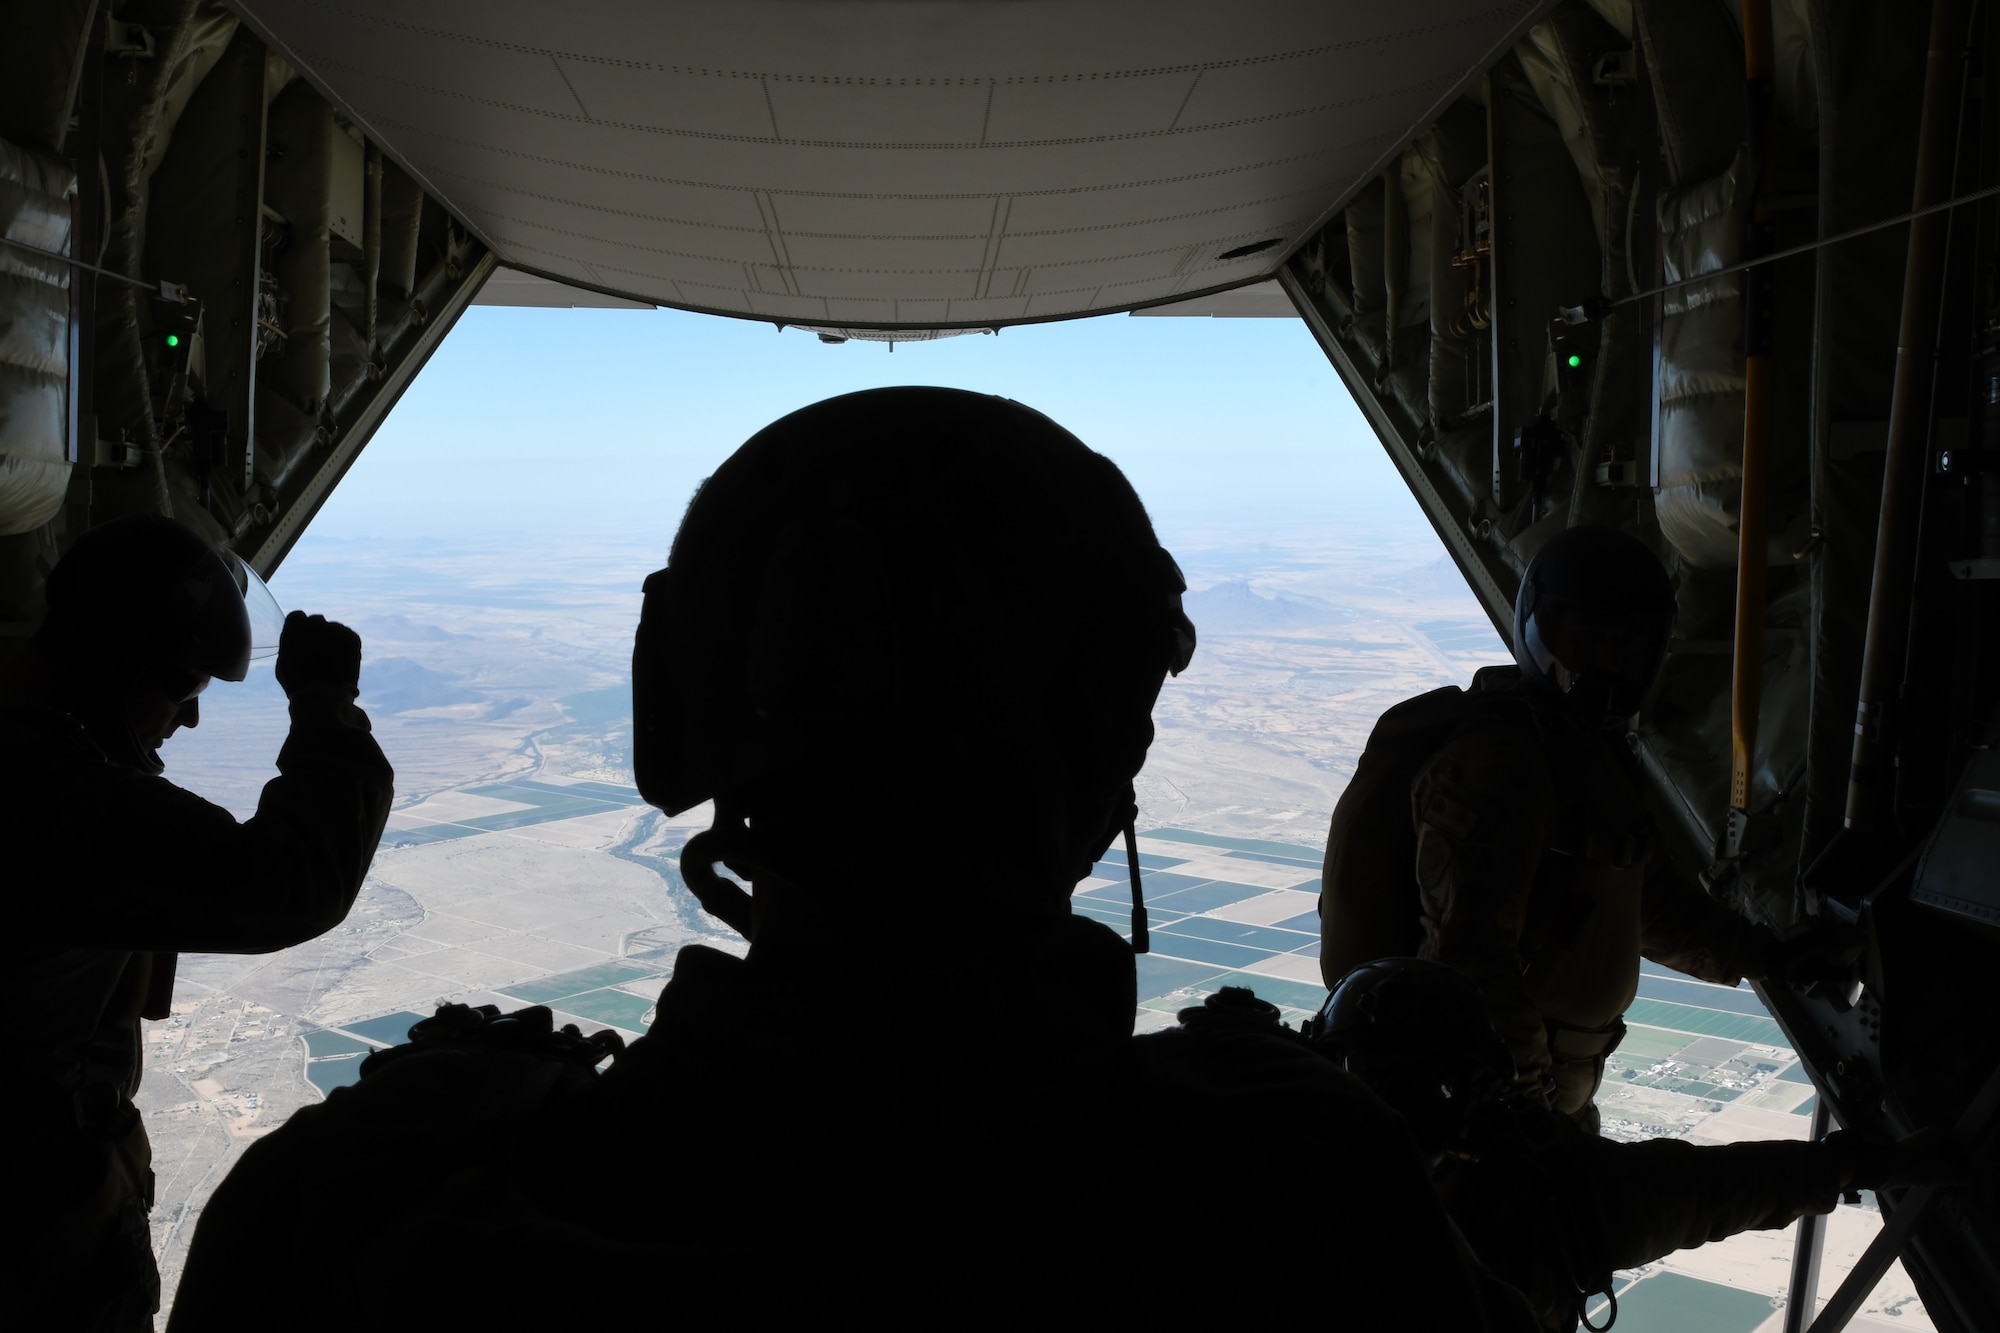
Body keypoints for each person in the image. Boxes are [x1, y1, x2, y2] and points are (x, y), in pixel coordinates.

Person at [169, 388, 1532, 1329]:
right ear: (1108, 745)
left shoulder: (352, 1215)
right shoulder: (1315, 1202)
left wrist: (455, 1099)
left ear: (695, 715)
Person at [2, 516, 393, 1332]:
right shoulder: (58, 808)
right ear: (116, 667)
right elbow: (292, 882)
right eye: (182, 689)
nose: (189, 720)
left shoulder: (33, 761)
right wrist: (325, 711)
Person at [1318, 525, 1784, 1129]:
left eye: (1627, 645)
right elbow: (1469, 962)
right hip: (1484, 1103)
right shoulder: (1500, 764)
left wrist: (1766, 956)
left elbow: (1640, 901)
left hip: (1538, 1094)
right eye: (1585, 638)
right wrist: (1525, 1110)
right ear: (1540, 630)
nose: (1606, 663)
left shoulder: (1584, 757)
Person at [1309, 958, 1940, 1332]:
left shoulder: (1276, 1165)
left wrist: (1853, 1163)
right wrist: (1866, 1163)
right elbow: (1708, 1194)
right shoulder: (1546, 1192)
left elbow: (1706, 1193)